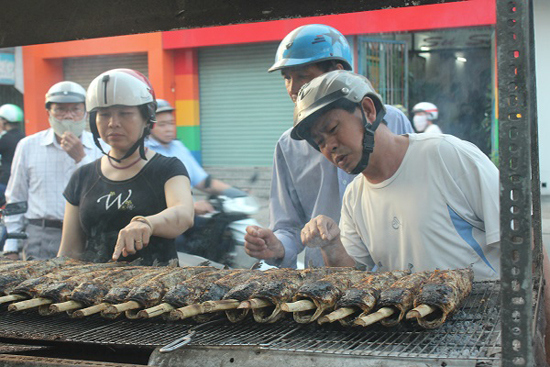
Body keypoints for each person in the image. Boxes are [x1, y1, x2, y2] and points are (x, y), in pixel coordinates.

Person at [292, 70, 499, 280]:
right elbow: (351, 278)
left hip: (484, 308)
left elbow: (519, 236)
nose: (330, 147)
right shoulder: (354, 197)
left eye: (333, 128)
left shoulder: (446, 155)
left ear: (368, 110)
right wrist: (331, 245)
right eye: (320, 142)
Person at [243, 24, 414, 268]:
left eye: (303, 75)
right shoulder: (289, 145)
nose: (293, 89)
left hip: (392, 274)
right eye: (287, 78)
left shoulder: (392, 122)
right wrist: (278, 246)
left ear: (338, 71)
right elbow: (288, 226)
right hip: (324, 285)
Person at [58, 69, 194, 265]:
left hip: (158, 289)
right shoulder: (82, 176)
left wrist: (147, 223)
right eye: (104, 115)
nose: (113, 123)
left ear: (147, 118)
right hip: (93, 291)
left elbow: (184, 214)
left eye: (125, 114)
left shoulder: (168, 168)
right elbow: (69, 252)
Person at [2, 81, 105, 260]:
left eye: (75, 110)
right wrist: (12, 245)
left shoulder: (101, 146)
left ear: (86, 113)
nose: (68, 117)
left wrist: (81, 158)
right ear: (48, 113)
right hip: (42, 235)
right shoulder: (28, 145)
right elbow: (16, 197)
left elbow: (105, 193)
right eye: (60, 110)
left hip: (89, 235)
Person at [145, 99, 246, 215]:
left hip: (189, 216)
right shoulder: (144, 151)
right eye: (162, 125)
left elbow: (203, 181)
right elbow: (153, 194)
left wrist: (235, 192)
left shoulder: (178, 146)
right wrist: (192, 206)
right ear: (149, 126)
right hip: (165, 219)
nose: (169, 129)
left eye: (171, 123)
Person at [0, 104, 25, 205]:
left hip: (5, 182)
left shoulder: (5, 139)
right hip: (20, 182)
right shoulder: (24, 137)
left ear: (4, 121)